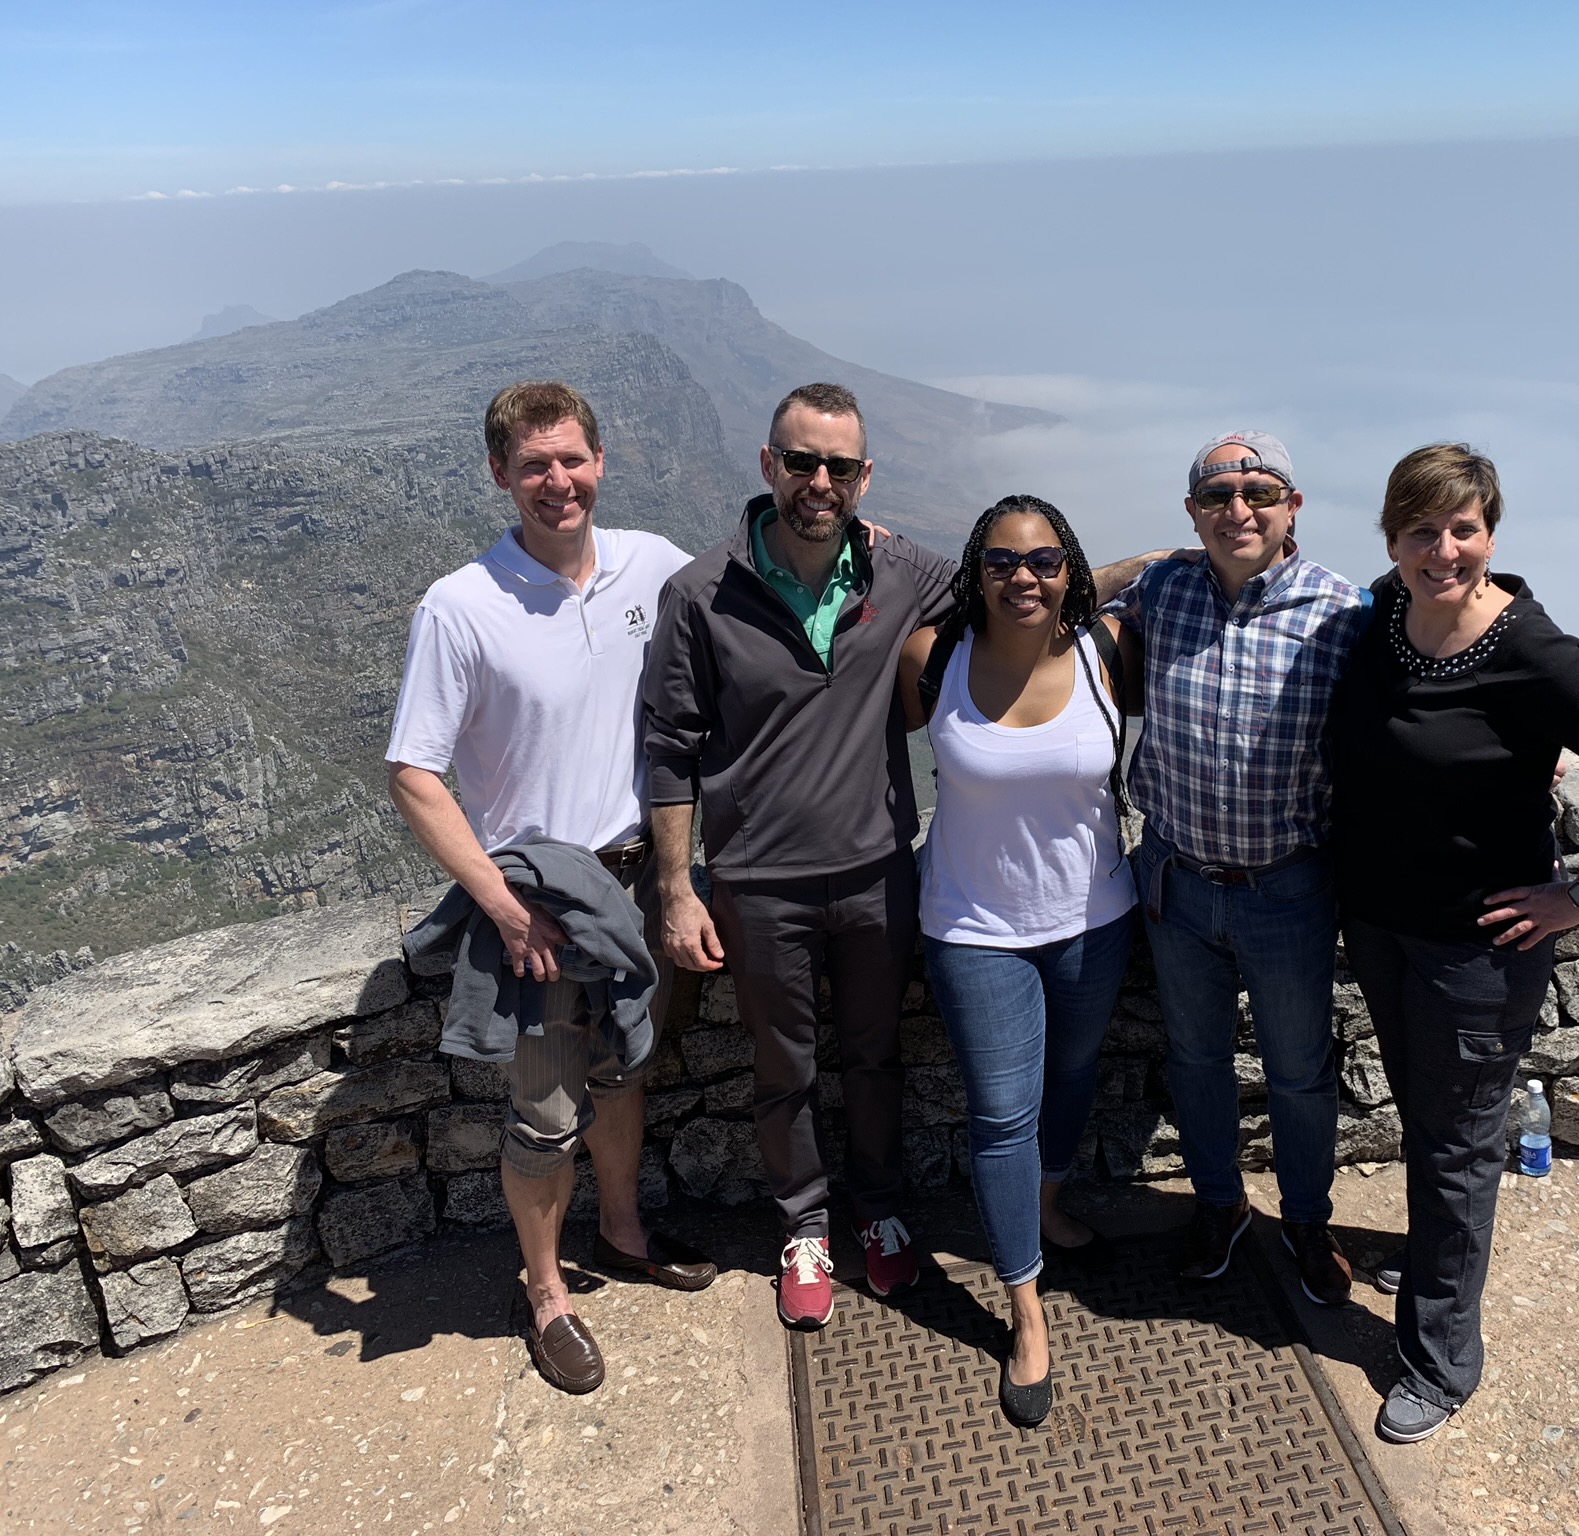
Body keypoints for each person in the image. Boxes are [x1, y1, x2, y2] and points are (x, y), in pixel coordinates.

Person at [642, 384, 1165, 1331]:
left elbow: (1017, 591)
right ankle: (804, 1227)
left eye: (839, 466)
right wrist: (678, 888)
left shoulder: (901, 573)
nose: (818, 481)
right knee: (783, 1064)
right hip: (758, 878)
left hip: (880, 866)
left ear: (863, 477)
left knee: (877, 1057)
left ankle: (879, 1214)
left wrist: (1158, 563)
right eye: (800, 461)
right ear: (767, 465)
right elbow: (670, 747)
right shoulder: (700, 592)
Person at [1327, 443, 1579, 1444]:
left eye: (1462, 528)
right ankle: (1440, 1262)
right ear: (1390, 537)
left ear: (1490, 531)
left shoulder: (1527, 650)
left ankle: (1441, 1361)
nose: (1441, 549)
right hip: (1385, 925)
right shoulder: (1382, 619)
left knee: (1455, 1143)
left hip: (1476, 951)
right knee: (1432, 1123)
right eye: (1419, 530)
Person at [387, 381, 717, 1397]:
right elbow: (413, 772)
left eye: (570, 459)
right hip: (540, 912)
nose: (556, 482)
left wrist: (858, 537)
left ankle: (620, 1232)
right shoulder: (461, 606)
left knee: (622, 1075)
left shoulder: (650, 564)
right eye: (533, 465)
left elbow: (746, 600)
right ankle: (545, 1296)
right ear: (500, 474)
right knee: (543, 1116)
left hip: (641, 891)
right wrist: (498, 902)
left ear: (600, 461)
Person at [1102, 431, 1369, 1307]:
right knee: (1197, 1058)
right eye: (1217, 497)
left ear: (1294, 507)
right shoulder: (1165, 590)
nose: (1238, 510)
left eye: (1259, 492)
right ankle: (1218, 1204)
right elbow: (1061, 595)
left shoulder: (1341, 613)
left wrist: (1528, 743)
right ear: (1192, 514)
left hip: (1286, 888)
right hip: (1176, 880)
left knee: (1297, 1069)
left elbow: (1423, 691)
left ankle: (1305, 1218)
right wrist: (1152, 555)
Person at [896, 495, 1137, 1428]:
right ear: (976, 572)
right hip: (972, 925)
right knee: (1002, 1111)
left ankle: (1046, 1204)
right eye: (1001, 561)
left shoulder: (1109, 655)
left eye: (1042, 560)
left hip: (1095, 917)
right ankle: (1025, 1304)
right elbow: (858, 734)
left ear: (1070, 569)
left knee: (1072, 1075)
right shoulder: (936, 660)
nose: (1022, 577)